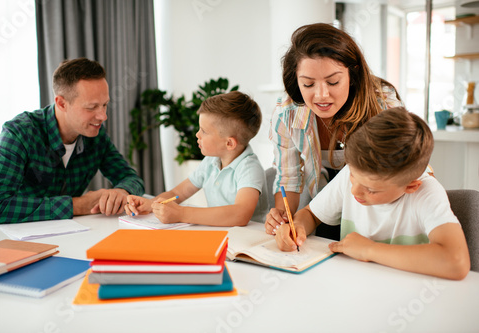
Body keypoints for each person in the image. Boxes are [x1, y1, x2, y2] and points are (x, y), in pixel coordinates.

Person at [268, 108, 470, 280]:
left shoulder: (426, 193)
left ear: (410, 186)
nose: (354, 190)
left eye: (371, 189)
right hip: (354, 285)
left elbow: (456, 261)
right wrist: (298, 227)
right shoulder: (352, 173)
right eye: (354, 177)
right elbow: (310, 214)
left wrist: (369, 250)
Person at [267, 23, 403, 240]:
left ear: (353, 73)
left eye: (333, 82)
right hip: (318, 205)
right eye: (308, 84)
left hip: (374, 207)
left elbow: (400, 173)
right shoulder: (287, 112)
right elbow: (289, 179)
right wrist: (285, 220)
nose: (321, 95)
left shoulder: (383, 106)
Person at [0, 58, 145, 224]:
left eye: (104, 105)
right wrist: (78, 205)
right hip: (0, 236)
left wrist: (122, 191)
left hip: (63, 233)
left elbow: (131, 178)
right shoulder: (19, 133)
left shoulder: (95, 134)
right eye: (91, 107)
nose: (103, 116)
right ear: (61, 103)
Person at [126, 91, 269, 226]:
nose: (197, 134)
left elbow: (240, 214)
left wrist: (181, 213)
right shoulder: (211, 162)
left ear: (229, 143)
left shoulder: (249, 168)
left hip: (248, 241)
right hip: (221, 235)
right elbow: (176, 194)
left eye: (204, 131)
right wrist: (151, 204)